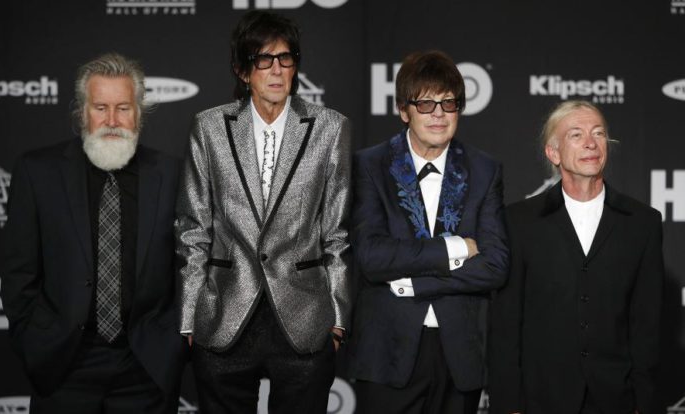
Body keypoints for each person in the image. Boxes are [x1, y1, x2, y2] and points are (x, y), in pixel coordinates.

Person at [175, 10, 352, 414]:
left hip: (305, 317)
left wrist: (338, 319)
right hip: (224, 316)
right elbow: (192, 229)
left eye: (285, 58)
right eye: (263, 59)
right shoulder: (209, 127)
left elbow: (337, 233)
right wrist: (190, 316)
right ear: (243, 70)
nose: (276, 69)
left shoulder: (330, 128)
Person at [1, 53, 187, 413]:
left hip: (146, 369)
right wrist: (33, 341)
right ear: (82, 112)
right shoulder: (37, 172)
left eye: (123, 108)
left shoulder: (172, 174)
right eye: (100, 107)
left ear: (139, 113)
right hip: (63, 366)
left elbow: (187, 266)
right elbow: (19, 274)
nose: (112, 121)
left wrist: (173, 345)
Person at [346, 50, 509, 414]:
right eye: (425, 104)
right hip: (387, 352)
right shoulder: (370, 165)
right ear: (404, 110)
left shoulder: (484, 169)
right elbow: (373, 257)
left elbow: (495, 265)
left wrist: (416, 283)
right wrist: (455, 248)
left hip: (460, 355)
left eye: (448, 103)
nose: (438, 114)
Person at [489, 100, 664, 414]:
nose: (590, 143)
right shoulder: (519, 222)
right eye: (576, 135)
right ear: (553, 153)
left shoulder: (643, 222)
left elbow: (647, 326)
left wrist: (645, 402)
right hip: (541, 399)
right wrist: (508, 404)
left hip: (616, 399)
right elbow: (505, 324)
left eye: (598, 133)